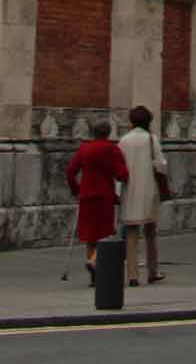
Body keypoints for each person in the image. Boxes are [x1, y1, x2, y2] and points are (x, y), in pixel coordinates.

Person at [66, 120, 128, 282]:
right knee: (105, 235)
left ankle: (93, 274)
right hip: (104, 197)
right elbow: (122, 174)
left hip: (86, 196)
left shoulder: (84, 149)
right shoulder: (112, 149)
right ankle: (94, 262)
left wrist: (76, 190)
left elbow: (70, 171)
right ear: (108, 133)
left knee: (90, 236)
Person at [118, 104, 169, 287]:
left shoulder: (124, 140)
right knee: (150, 231)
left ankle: (132, 275)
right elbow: (161, 164)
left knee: (131, 233)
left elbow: (119, 166)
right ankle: (153, 271)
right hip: (149, 189)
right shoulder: (151, 139)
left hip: (130, 190)